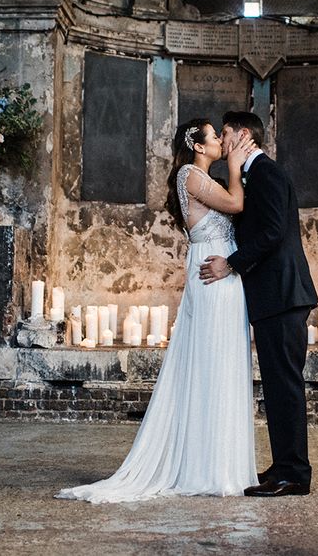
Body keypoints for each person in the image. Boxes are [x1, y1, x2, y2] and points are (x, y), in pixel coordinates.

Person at [56, 119, 258, 502]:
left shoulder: (201, 177)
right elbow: (235, 204)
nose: (220, 141)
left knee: (222, 363)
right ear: (199, 146)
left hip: (223, 274)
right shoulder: (190, 174)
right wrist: (235, 167)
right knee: (212, 363)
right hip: (213, 277)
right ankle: (207, 467)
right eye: (215, 136)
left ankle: (218, 462)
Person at [200, 111, 318, 498]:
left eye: (227, 133)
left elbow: (271, 233)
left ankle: (295, 474)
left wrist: (229, 265)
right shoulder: (254, 175)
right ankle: (285, 464)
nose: (222, 140)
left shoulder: (266, 173)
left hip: (283, 296)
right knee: (277, 384)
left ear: (243, 135)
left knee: (284, 385)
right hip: (274, 297)